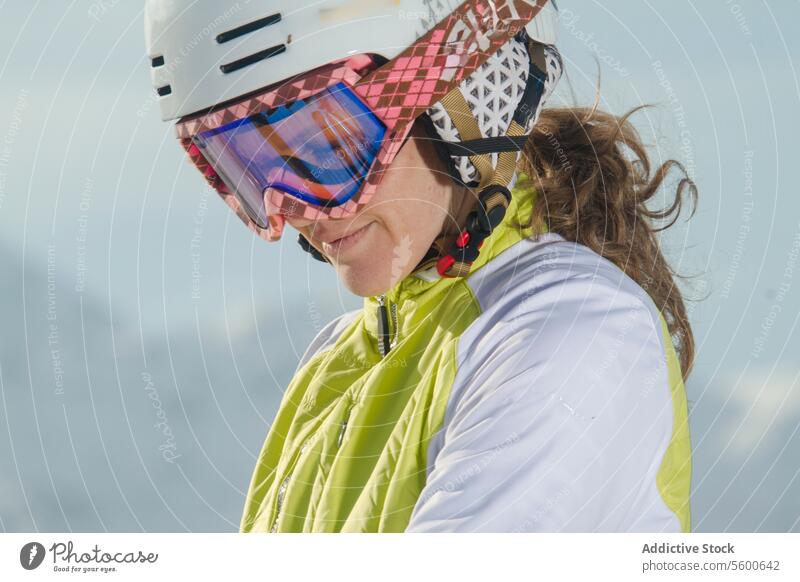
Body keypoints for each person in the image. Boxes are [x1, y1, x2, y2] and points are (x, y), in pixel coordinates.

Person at [145, 0, 695, 532]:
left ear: (462, 95)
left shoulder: (566, 332)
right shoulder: (336, 365)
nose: (299, 209)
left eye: (332, 148)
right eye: (252, 167)